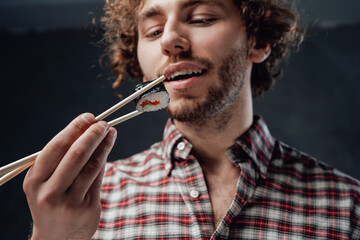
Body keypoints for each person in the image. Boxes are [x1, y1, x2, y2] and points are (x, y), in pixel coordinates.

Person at [23, 0, 360, 239]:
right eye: (153, 31)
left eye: (201, 18)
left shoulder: (348, 206)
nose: (169, 40)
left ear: (258, 41)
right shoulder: (84, 202)